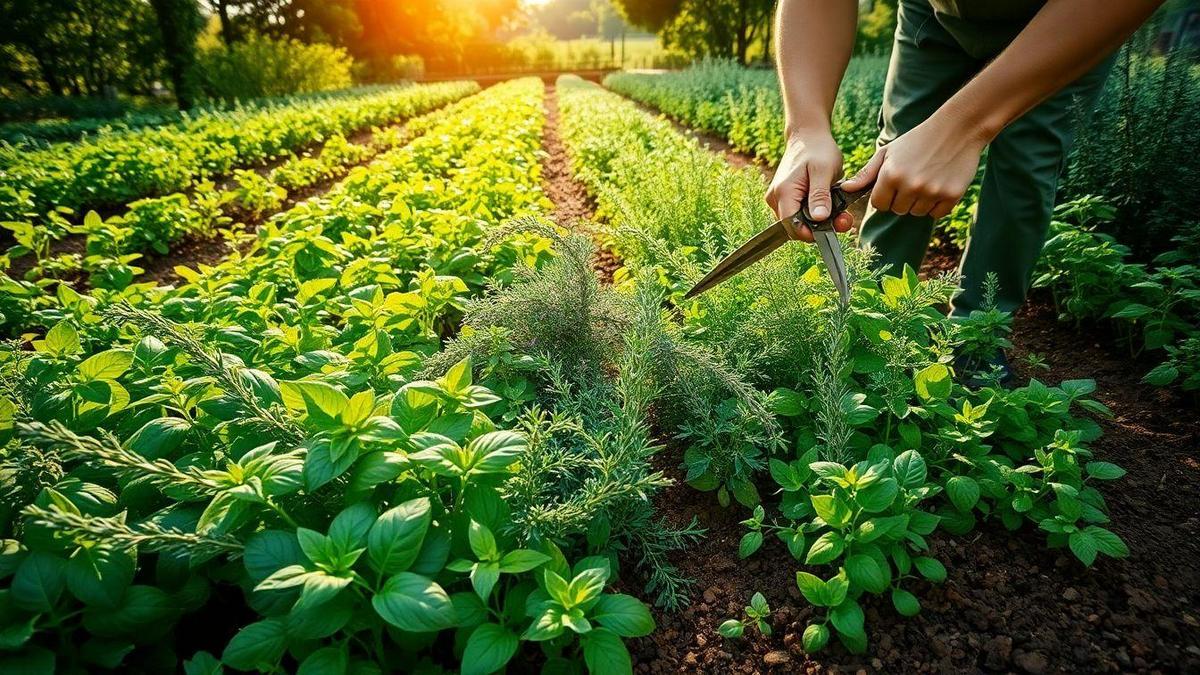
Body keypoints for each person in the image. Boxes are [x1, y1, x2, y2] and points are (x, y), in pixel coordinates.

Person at [765, 0, 1165, 329]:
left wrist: (964, 128)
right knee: (899, 151)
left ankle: (979, 335)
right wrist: (806, 128)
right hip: (935, 11)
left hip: (1066, 22)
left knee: (1025, 170)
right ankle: (875, 314)